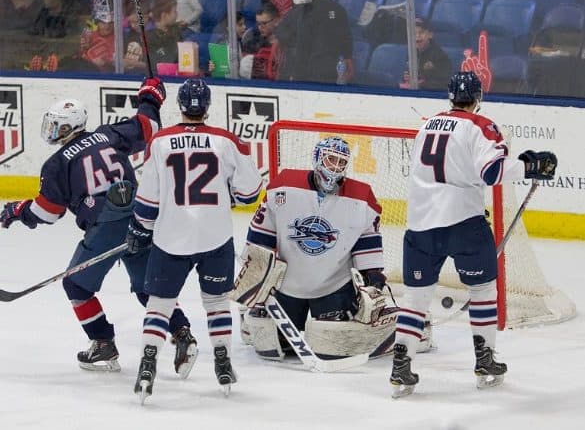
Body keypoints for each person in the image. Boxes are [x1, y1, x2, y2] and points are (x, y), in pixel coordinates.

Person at [0, 76, 199, 378]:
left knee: (76, 284)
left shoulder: (57, 164)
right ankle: (183, 334)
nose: (52, 131)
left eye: (57, 126)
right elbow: (148, 126)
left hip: (108, 223)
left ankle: (103, 342)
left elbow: (48, 212)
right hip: (141, 215)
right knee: (149, 288)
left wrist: (17, 211)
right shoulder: (109, 134)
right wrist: (150, 96)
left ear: (69, 127)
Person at [390, 71, 558, 398]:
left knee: (416, 300)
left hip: (420, 226)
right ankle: (485, 359)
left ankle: (400, 365)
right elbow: (492, 173)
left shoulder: (426, 124)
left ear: (450, 96)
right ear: (478, 98)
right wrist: (530, 165)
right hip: (463, 225)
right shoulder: (481, 126)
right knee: (482, 290)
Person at [128, 78, 263, 403]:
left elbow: (147, 202)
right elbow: (251, 193)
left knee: (159, 305)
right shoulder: (226, 141)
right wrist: (227, 192)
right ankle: (223, 362)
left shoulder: (159, 142)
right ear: (207, 106)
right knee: (216, 304)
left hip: (171, 238)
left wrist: (139, 229)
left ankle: (148, 365)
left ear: (180, 105)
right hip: (215, 237)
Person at [235, 137, 420, 362]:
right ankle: (250, 315)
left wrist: (372, 276)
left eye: (341, 163)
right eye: (330, 159)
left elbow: (367, 238)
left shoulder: (361, 198)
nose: (335, 168)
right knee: (276, 345)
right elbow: (262, 231)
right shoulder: (284, 187)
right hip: (287, 286)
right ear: (317, 158)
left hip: (333, 286)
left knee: (331, 347)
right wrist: (256, 269)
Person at [273, 0, 353, 83]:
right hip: (329, 71)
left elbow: (283, 34)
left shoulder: (304, 10)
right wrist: (348, 57)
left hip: (306, 72)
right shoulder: (339, 10)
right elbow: (346, 40)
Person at [400, 17, 451, 91]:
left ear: (430, 35)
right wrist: (407, 78)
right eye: (414, 33)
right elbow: (408, 73)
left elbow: (444, 81)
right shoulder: (411, 52)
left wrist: (422, 83)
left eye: (421, 32)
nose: (417, 36)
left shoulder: (440, 55)